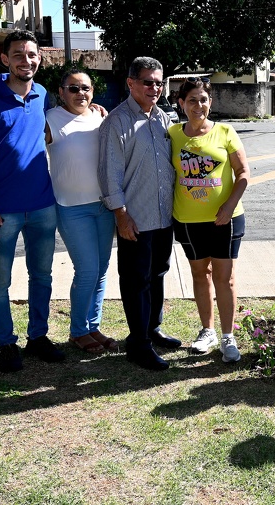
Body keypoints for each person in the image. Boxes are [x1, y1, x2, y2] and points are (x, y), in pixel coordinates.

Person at [0, 29, 64, 372]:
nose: (26, 60)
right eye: (18, 54)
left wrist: (91, 110)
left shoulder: (42, 94)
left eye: (31, 54)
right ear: (5, 59)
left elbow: (47, 133)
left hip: (42, 205)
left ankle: (38, 337)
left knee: (42, 275)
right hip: (0, 210)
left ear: (39, 58)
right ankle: (6, 343)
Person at [98, 56, 180, 371]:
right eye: (148, 82)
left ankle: (152, 329)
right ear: (131, 83)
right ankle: (138, 343)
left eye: (159, 82)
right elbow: (109, 174)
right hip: (135, 219)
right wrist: (121, 214)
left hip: (163, 217)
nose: (155, 88)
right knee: (136, 280)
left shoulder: (163, 119)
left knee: (158, 273)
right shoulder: (116, 122)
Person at [168, 78, 250, 363]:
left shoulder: (225, 131)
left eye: (203, 99)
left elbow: (243, 174)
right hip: (188, 220)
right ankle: (208, 331)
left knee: (224, 279)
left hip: (224, 220)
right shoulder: (173, 134)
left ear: (210, 102)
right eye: (192, 100)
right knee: (199, 275)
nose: (198, 105)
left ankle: (228, 336)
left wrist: (229, 206)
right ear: (181, 103)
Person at [45, 69, 119, 355]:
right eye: (73, 89)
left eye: (86, 88)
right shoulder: (50, 119)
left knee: (100, 271)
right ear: (61, 92)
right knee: (87, 270)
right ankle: (78, 331)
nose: (81, 94)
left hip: (103, 206)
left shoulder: (101, 116)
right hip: (71, 209)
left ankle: (92, 325)